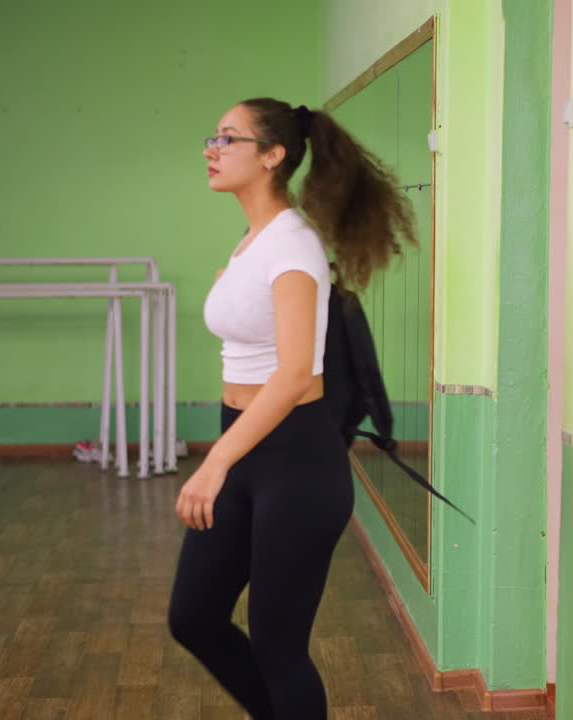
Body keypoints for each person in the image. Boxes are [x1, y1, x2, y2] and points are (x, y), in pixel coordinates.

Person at [168, 97, 415, 719]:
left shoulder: (293, 244)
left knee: (280, 648)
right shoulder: (256, 240)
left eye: (228, 139)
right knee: (193, 618)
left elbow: (296, 373)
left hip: (294, 464)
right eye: (213, 136)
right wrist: (226, 457)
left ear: (273, 156)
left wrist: (215, 460)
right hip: (245, 447)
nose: (211, 149)